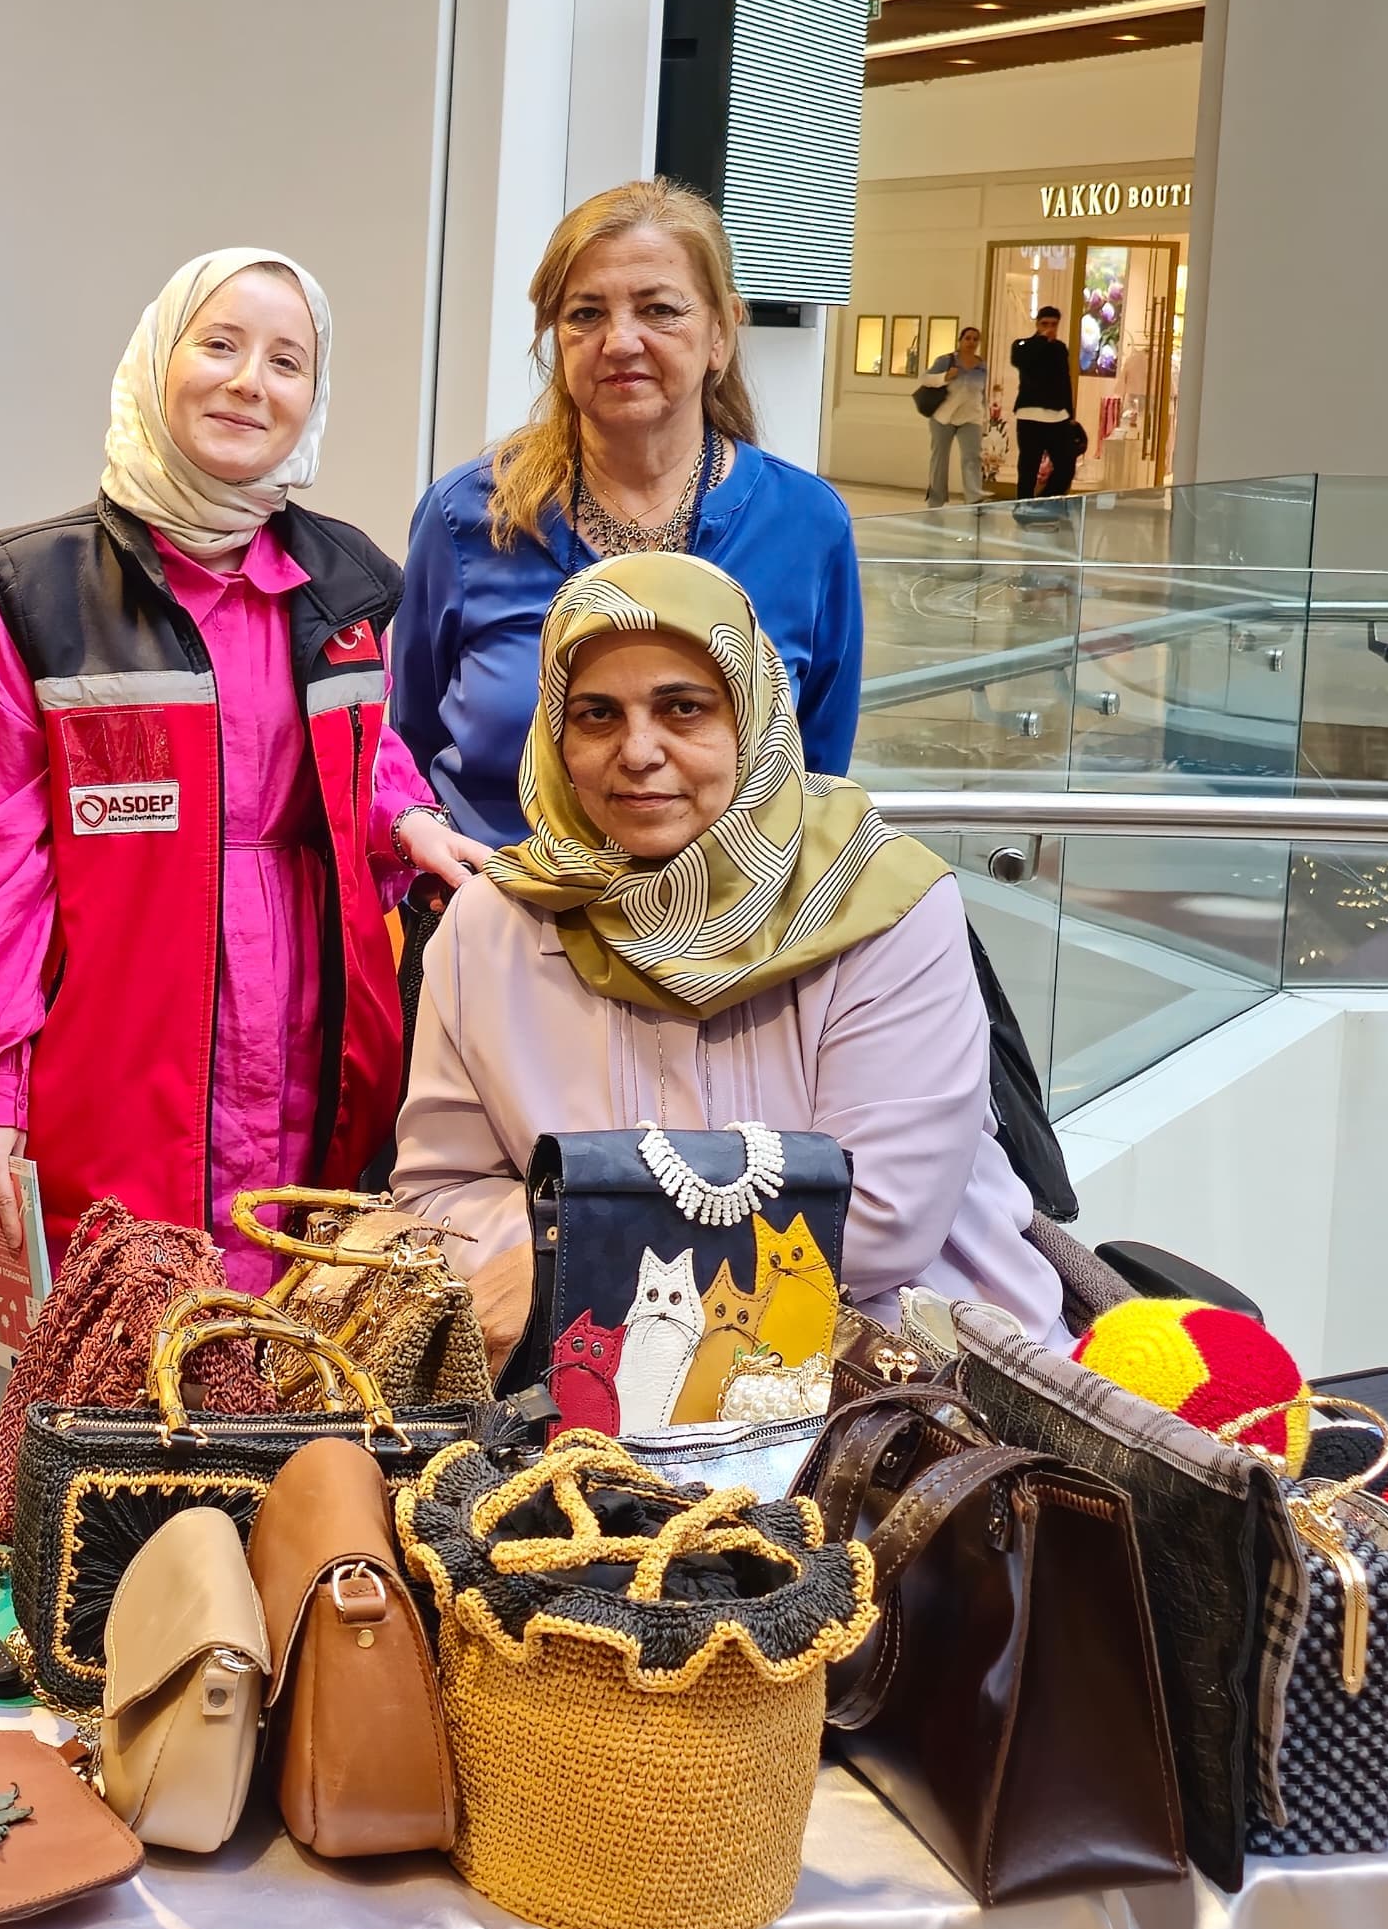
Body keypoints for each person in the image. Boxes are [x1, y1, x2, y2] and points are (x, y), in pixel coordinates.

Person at [0, 248, 486, 1290]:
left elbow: (361, 744)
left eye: (287, 360)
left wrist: (406, 818)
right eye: (219, 343)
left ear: (317, 394)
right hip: (115, 1059)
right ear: (157, 358)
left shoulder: (344, 584)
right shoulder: (39, 594)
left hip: (314, 1055)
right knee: (102, 1380)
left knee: (293, 1369)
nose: (250, 380)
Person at [391, 551, 1063, 1354]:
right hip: (602, 1385)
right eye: (597, 714)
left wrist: (561, 1249)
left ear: (751, 718)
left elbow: (879, 1225)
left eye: (682, 709)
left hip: (901, 1379)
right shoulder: (490, 926)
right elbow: (439, 1196)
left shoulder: (879, 901)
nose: (638, 752)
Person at [393, 180, 863, 840]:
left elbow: (815, 782)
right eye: (585, 314)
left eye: (659, 309)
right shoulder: (466, 518)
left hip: (722, 935)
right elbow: (408, 747)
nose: (619, 341)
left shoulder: (806, 525)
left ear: (721, 333)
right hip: (495, 917)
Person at [1011, 299, 1081, 501]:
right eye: (1045, 324)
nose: (1050, 328)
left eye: (1053, 324)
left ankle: (1046, 502)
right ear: (1037, 324)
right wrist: (1042, 340)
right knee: (1028, 466)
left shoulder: (1060, 348)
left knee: (1066, 465)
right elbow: (1021, 361)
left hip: (1058, 417)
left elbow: (1065, 380)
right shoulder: (1023, 345)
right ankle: (1023, 505)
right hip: (1030, 415)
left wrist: (1070, 414)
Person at [921, 323, 989, 508]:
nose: (971, 342)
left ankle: (974, 498)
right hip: (944, 417)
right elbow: (925, 379)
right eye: (967, 338)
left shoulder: (981, 365)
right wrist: (945, 376)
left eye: (975, 339)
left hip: (970, 418)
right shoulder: (946, 360)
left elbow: (981, 394)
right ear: (960, 341)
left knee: (972, 457)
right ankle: (936, 499)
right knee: (940, 457)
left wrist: (985, 417)